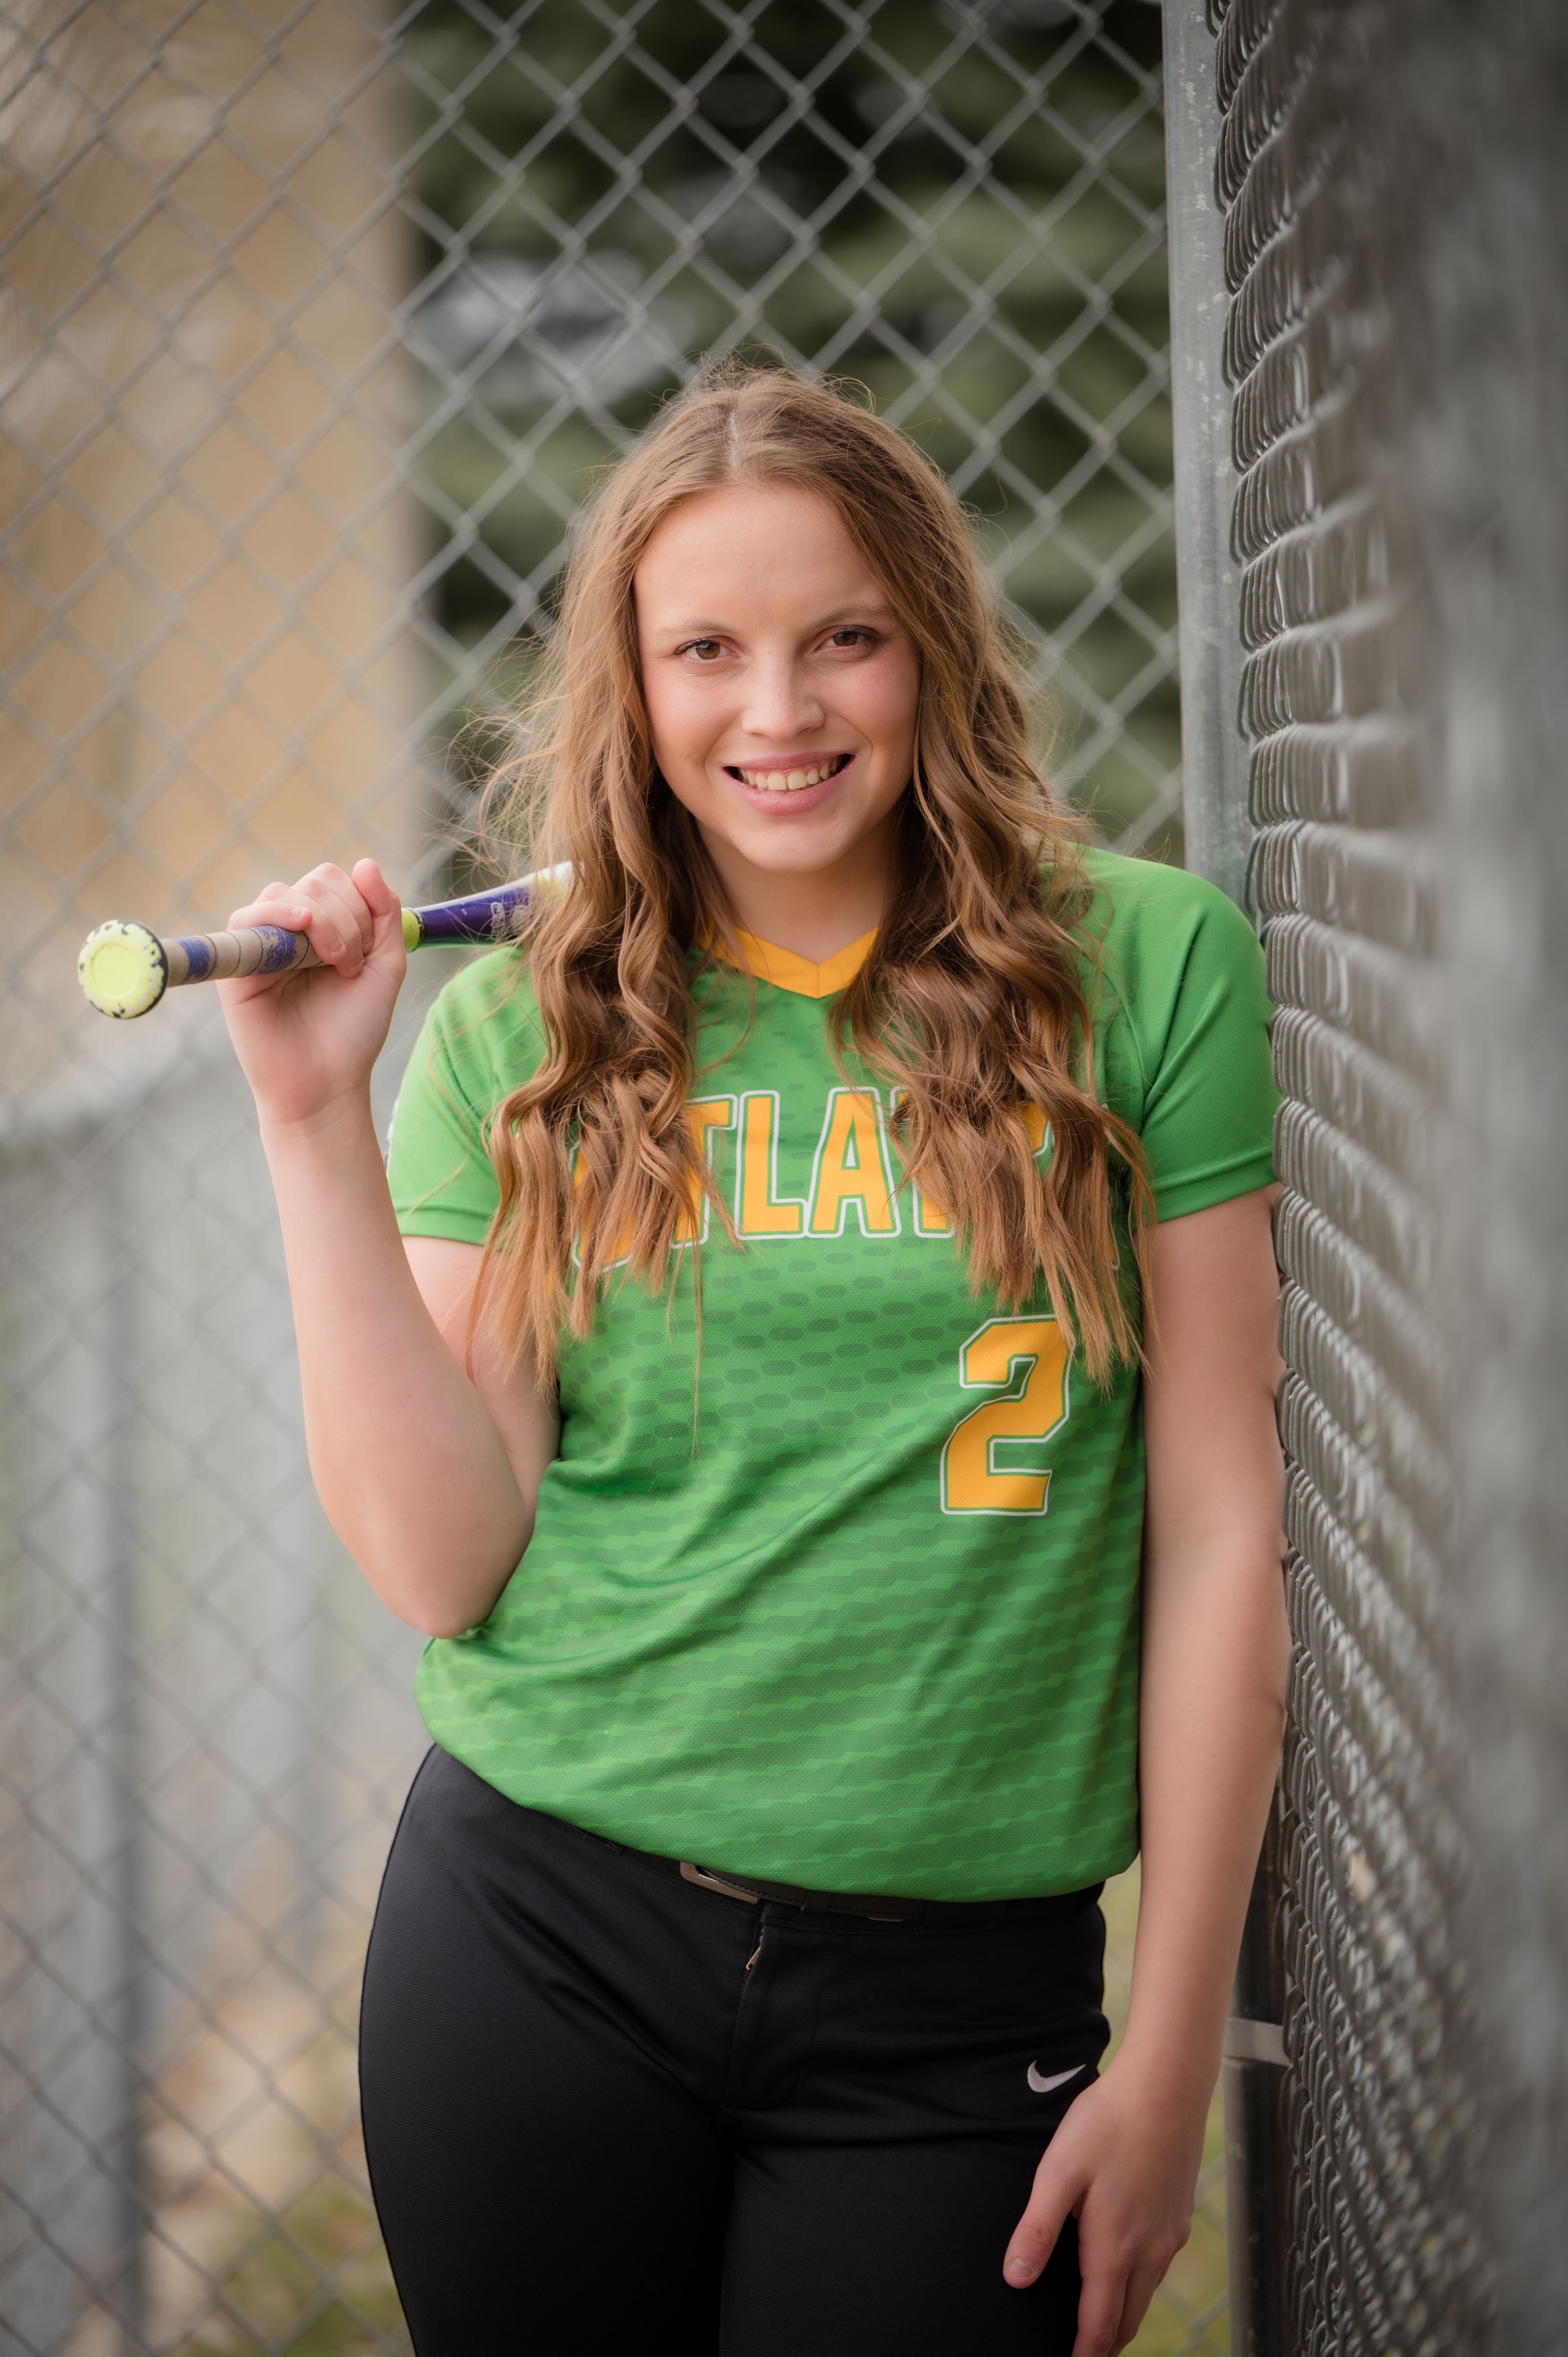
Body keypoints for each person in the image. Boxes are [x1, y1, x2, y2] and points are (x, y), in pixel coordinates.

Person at [220, 366, 1287, 2357]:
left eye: (844, 640)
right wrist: (310, 1125)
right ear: (635, 684)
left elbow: (1227, 1522)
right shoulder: (520, 1027)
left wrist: (1170, 2062)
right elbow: (447, 1565)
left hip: (958, 1997)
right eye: (707, 650)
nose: (778, 712)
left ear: (933, 653)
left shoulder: (1144, 963)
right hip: (542, 1930)